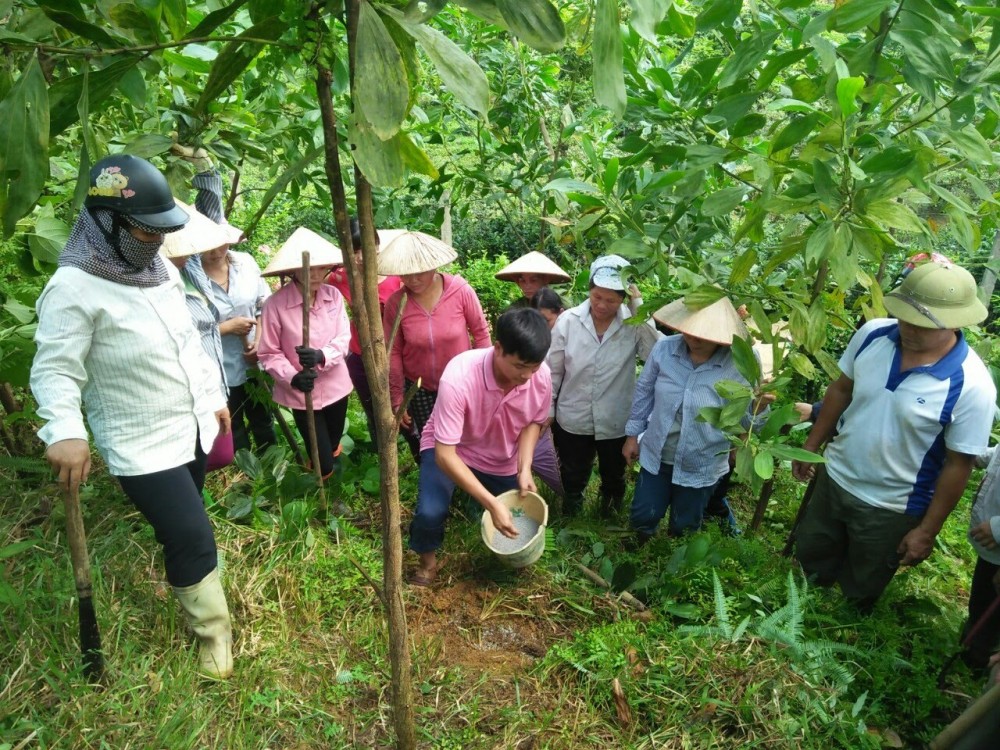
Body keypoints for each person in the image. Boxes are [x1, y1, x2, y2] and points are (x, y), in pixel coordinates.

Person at [31, 154, 234, 678]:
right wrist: (66, 431)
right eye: (146, 233)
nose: (155, 243)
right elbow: (55, 369)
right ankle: (214, 640)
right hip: (140, 441)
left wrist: (212, 394)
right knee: (191, 534)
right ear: (107, 222)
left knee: (189, 528)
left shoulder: (159, 267)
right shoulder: (73, 288)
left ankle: (198, 597)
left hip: (190, 424)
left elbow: (188, 342)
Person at [791, 259, 996, 611]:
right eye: (904, 317)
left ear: (954, 323)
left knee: (860, 588)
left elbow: (957, 464)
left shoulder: (972, 385)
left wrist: (926, 531)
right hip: (835, 477)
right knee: (809, 560)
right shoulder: (873, 335)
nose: (908, 329)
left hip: (892, 506)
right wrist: (811, 446)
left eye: (922, 324)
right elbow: (841, 390)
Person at [408, 308, 553, 586]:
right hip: (453, 449)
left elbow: (532, 423)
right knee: (430, 511)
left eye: (533, 368)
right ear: (498, 348)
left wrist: (524, 468)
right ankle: (427, 564)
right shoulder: (460, 376)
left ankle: (508, 562)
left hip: (501, 456)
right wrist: (491, 503)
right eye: (520, 367)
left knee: (518, 514)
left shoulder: (540, 377)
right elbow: (445, 454)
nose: (527, 376)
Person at [625, 296, 767, 540]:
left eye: (704, 335)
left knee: (685, 525)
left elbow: (745, 421)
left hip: (702, 460)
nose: (694, 339)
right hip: (658, 453)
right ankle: (638, 546)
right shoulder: (665, 349)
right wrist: (631, 435)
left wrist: (759, 407)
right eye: (690, 331)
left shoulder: (742, 361)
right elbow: (644, 392)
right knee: (643, 515)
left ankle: (676, 560)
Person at [173, 143, 275, 455]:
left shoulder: (245, 262)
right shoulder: (188, 273)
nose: (217, 249)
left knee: (263, 417)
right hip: (216, 366)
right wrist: (225, 328)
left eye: (222, 242)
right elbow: (183, 329)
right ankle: (243, 471)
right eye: (210, 243)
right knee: (232, 421)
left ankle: (271, 467)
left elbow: (264, 302)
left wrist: (261, 336)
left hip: (252, 361)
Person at [548, 255, 661, 518]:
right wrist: (549, 408)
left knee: (614, 472)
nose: (602, 305)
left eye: (611, 300)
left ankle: (609, 513)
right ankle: (571, 514)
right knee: (573, 471)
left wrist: (639, 308)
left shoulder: (633, 324)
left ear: (624, 297)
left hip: (615, 418)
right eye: (597, 296)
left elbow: (654, 353)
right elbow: (552, 370)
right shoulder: (568, 322)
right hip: (573, 415)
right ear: (589, 290)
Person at [379, 231, 491, 455]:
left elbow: (481, 334)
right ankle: (435, 479)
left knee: (463, 437)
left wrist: (484, 380)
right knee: (429, 442)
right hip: (419, 387)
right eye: (406, 274)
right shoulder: (396, 302)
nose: (412, 280)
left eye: (419, 273)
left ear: (434, 266)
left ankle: (465, 481)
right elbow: (393, 351)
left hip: (461, 382)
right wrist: (397, 396)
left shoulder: (460, 291)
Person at [258, 228, 352, 478]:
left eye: (322, 268)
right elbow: (268, 352)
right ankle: (324, 488)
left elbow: (344, 338)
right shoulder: (275, 305)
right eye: (311, 269)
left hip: (336, 386)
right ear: (294, 271)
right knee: (321, 455)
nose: (318, 274)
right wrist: (292, 376)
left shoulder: (333, 296)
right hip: (302, 392)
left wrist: (322, 356)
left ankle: (328, 475)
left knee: (332, 442)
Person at [161, 200, 235, 469]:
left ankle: (194, 494)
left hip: (212, 374)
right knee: (194, 454)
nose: (187, 252)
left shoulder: (190, 270)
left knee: (219, 454)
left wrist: (204, 163)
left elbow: (212, 217)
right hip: (182, 386)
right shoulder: (154, 283)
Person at [326, 219, 403, 447]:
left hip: (395, 353)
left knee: (398, 405)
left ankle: (407, 449)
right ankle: (384, 453)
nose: (360, 256)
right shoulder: (341, 278)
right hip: (360, 355)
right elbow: (313, 282)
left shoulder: (396, 276)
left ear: (377, 246)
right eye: (354, 250)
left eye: (365, 248)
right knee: (372, 408)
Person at [961, 445, 1000, 670]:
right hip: (991, 551)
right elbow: (991, 455)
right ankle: (970, 646)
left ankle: (978, 661)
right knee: (981, 600)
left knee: (991, 613)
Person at [495, 251, 571, 309]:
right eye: (523, 281)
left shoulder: (561, 305)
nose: (527, 286)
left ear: (546, 279)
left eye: (533, 280)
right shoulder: (517, 308)